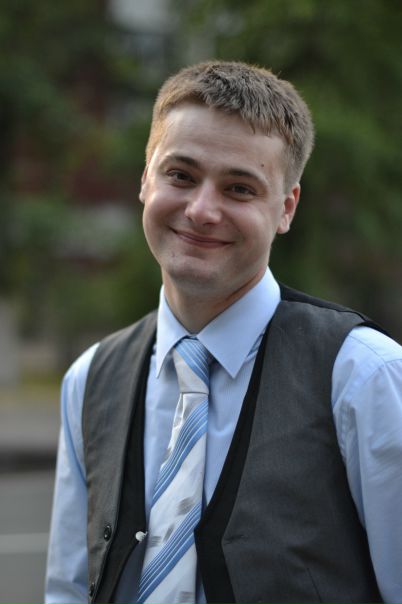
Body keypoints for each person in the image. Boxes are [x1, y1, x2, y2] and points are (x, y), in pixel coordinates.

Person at [45, 61, 402, 604]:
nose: (202, 210)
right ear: (145, 180)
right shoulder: (90, 379)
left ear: (286, 208)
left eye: (239, 188)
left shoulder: (365, 376)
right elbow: (69, 591)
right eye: (181, 176)